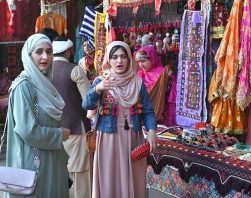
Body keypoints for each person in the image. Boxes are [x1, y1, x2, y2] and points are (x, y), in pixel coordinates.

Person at [82, 41, 157, 198]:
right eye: (114, 57)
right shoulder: (101, 81)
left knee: (135, 180)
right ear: (108, 60)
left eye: (123, 56)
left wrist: (151, 131)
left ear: (129, 59)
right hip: (108, 139)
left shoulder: (137, 83)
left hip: (134, 139)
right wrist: (98, 89)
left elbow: (148, 111)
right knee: (110, 180)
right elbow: (86, 104)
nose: (119, 61)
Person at [4, 33, 70, 198]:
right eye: (38, 52)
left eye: (49, 51)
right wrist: (59, 134)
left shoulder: (44, 83)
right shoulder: (24, 86)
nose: (45, 57)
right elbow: (28, 131)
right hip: (32, 164)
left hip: (50, 161)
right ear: (28, 55)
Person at [51, 36, 92, 198]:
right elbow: (89, 100)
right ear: (68, 52)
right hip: (76, 127)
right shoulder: (75, 70)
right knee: (80, 171)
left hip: (53, 129)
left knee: (60, 169)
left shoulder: (43, 72)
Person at [135, 45, 177, 126]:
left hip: (161, 116)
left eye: (143, 61)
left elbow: (171, 94)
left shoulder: (163, 73)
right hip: (143, 116)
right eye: (139, 62)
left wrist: (170, 77)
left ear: (152, 58)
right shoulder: (140, 74)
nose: (140, 65)